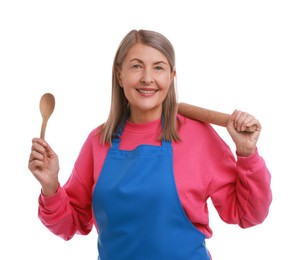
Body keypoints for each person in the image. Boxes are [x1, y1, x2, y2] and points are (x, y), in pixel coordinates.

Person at [28, 29, 272, 260]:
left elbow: (248, 214)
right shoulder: (98, 141)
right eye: (136, 66)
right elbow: (71, 224)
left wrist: (247, 154)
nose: (147, 78)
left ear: (171, 76)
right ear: (119, 75)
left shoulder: (199, 137)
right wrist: (50, 186)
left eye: (158, 67)